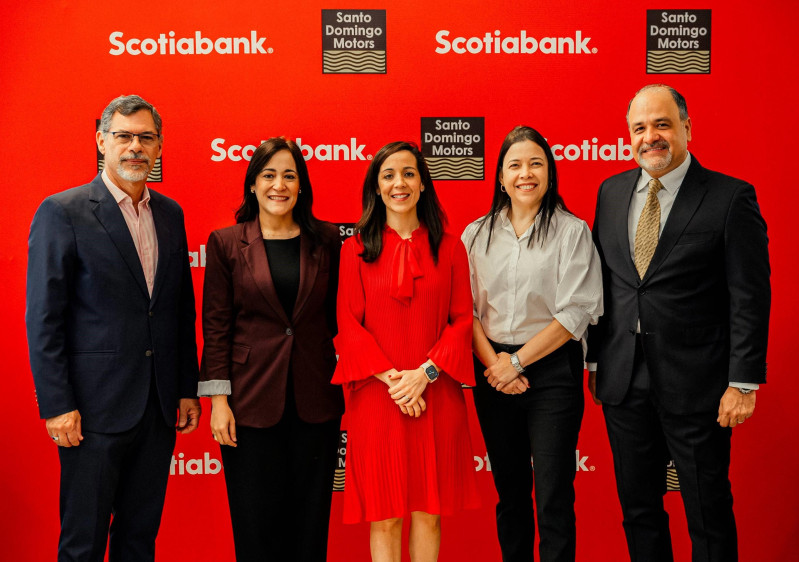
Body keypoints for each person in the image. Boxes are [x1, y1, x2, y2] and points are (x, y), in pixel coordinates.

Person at [587, 84, 770, 562]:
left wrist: (743, 382)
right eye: (640, 127)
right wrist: (593, 360)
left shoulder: (730, 198)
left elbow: (749, 296)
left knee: (707, 512)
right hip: (624, 382)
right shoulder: (610, 192)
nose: (651, 136)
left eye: (662, 124)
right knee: (639, 510)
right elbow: (605, 284)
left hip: (699, 386)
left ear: (687, 127)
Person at [25, 94, 200, 561]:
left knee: (139, 542)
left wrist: (186, 388)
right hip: (91, 413)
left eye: (146, 137)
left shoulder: (171, 214)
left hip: (157, 408)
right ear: (101, 141)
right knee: (83, 544)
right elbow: (44, 318)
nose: (134, 147)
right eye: (123, 136)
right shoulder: (63, 211)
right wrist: (57, 404)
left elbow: (179, 309)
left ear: (160, 146)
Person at [333, 141, 480, 561]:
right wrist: (393, 380)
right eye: (389, 175)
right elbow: (348, 324)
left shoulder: (451, 248)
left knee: (429, 514)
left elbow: (462, 321)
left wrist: (424, 376)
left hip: (435, 395)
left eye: (409, 173)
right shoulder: (354, 249)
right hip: (378, 398)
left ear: (422, 184)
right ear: (376, 188)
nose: (400, 183)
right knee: (384, 517)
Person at [199, 137, 344, 562]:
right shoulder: (226, 243)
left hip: (315, 402)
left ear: (301, 186)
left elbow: (342, 321)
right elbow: (216, 325)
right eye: (268, 175)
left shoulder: (329, 241)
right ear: (253, 185)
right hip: (248, 403)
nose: (278, 184)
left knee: (310, 527)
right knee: (255, 527)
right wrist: (218, 402)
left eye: (289, 175)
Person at [462, 126, 603, 562]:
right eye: (515, 165)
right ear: (500, 176)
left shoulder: (571, 231)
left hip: (552, 372)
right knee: (511, 495)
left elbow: (577, 311)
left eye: (536, 163)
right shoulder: (475, 235)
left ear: (550, 172)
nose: (526, 174)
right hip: (492, 372)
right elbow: (462, 312)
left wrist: (517, 363)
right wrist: (497, 367)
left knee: (554, 496)